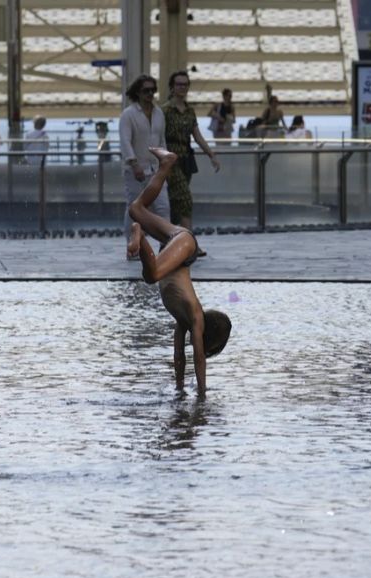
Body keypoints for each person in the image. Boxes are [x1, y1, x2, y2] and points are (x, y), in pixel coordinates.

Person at [126, 147, 232, 396]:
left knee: (136, 208)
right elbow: (197, 357)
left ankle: (166, 163)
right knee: (151, 275)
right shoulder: (195, 317)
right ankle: (139, 237)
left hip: (178, 240)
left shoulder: (181, 321)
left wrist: (180, 388)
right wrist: (202, 394)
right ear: (210, 337)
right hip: (185, 244)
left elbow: (179, 355)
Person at [163, 71, 221, 257]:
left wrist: (211, 154)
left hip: (186, 159)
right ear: (172, 87)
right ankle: (191, 246)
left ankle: (169, 243)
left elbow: (196, 135)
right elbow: (158, 136)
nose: (183, 88)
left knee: (176, 204)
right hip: (171, 161)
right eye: (179, 84)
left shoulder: (189, 111)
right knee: (185, 200)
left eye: (185, 84)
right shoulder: (164, 111)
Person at [119, 74, 170, 251]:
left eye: (152, 90)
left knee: (163, 207)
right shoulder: (128, 114)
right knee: (134, 209)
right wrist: (133, 163)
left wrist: (165, 162)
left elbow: (161, 140)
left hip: (156, 169)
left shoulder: (158, 113)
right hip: (135, 170)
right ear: (137, 93)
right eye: (145, 91)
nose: (150, 94)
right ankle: (132, 246)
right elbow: (125, 141)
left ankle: (166, 245)